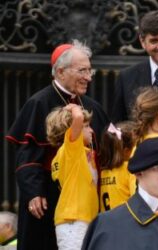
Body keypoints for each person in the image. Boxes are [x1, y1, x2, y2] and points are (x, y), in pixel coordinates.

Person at [5, 40, 109, 250]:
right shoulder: (39, 103)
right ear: (60, 71)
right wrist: (34, 192)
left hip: (86, 200)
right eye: (82, 70)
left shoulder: (92, 106)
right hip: (48, 196)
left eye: (90, 70)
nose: (88, 77)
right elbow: (27, 157)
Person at [46, 104, 99, 249]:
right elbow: (78, 117)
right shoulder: (70, 149)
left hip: (82, 219)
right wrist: (74, 107)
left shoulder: (76, 152)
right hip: (74, 221)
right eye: (86, 126)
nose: (91, 130)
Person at [99, 122, 136, 211]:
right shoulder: (130, 168)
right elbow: (136, 199)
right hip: (124, 221)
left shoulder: (103, 172)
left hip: (106, 222)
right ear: (126, 151)